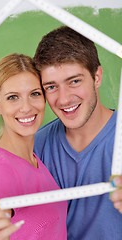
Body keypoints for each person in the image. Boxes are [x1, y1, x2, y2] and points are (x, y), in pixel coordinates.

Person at [0, 53, 67, 240]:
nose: (26, 108)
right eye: (13, 97)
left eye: (35, 94)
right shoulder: (0, 170)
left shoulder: (34, 159)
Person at [33, 26, 122, 239]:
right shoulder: (36, 146)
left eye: (74, 81)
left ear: (97, 77)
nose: (63, 99)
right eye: (51, 87)